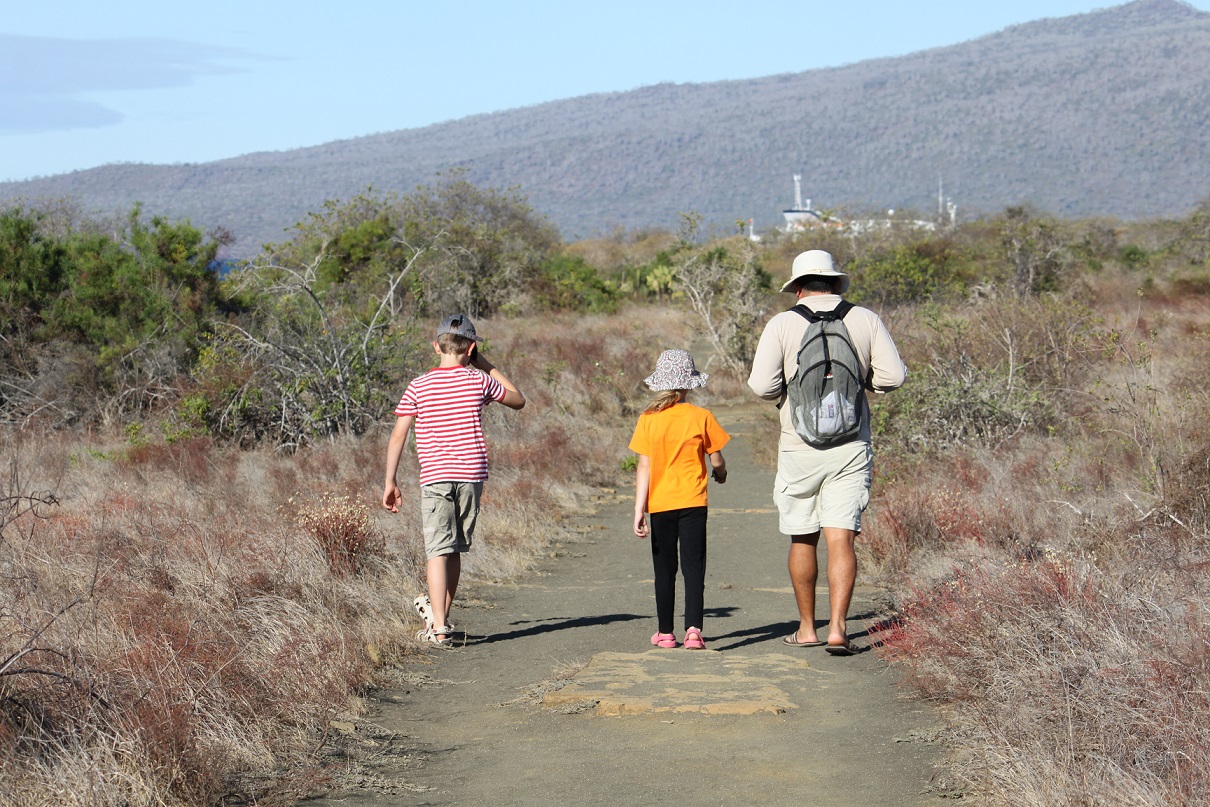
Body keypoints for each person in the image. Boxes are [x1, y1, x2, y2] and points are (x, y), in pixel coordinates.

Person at [747, 250, 906, 655]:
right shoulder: (864, 318)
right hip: (851, 444)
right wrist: (865, 385)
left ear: (797, 287)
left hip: (799, 444)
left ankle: (806, 628)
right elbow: (894, 377)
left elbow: (762, 387)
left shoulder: (782, 323)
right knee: (841, 539)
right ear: (835, 283)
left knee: (803, 536)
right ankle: (838, 628)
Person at [382, 313, 525, 646]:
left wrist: (390, 481)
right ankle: (439, 620)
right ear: (471, 348)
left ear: (436, 347)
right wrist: (485, 364)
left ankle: (440, 627)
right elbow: (517, 399)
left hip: (435, 477)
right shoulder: (479, 380)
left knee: (437, 551)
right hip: (471, 476)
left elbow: (397, 436)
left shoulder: (418, 386)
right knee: (456, 548)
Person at [629, 349, 730, 650]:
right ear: (689, 384)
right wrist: (722, 475)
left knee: (664, 570)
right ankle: (694, 631)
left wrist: (638, 510)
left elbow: (644, 467)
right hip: (693, 502)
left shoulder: (648, 420)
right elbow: (717, 461)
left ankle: (665, 633)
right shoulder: (702, 417)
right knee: (693, 566)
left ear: (661, 382)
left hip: (660, 504)